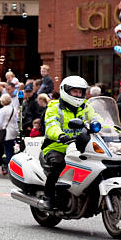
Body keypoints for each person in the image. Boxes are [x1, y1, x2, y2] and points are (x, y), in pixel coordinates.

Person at [41, 76, 99, 210]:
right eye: (75, 92)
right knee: (58, 164)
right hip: (57, 145)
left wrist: (110, 128)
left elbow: (98, 118)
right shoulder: (54, 107)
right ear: (65, 91)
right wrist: (60, 135)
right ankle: (48, 196)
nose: (78, 95)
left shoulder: (86, 106)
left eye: (80, 92)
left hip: (80, 145)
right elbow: (51, 124)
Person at [0, 93, 18, 175]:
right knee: (13, 150)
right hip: (14, 130)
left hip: (6, 131)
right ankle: (14, 166)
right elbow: (17, 119)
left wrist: (2, 128)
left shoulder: (2, 110)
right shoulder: (14, 109)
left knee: (7, 150)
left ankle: (9, 167)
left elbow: (0, 123)